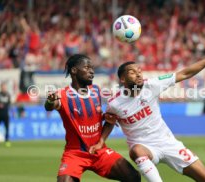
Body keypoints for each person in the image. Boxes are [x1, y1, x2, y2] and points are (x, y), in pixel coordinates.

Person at [91, 49, 205, 182]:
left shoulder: (152, 85)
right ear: (122, 79)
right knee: (136, 150)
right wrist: (101, 141)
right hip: (144, 147)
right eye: (132, 72)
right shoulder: (115, 103)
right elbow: (109, 122)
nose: (139, 74)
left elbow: (184, 73)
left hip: (168, 143)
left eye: (139, 70)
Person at [44, 54, 140, 182]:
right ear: (74, 70)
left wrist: (104, 117)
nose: (92, 71)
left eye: (92, 68)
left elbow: (91, 115)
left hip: (99, 151)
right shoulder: (62, 94)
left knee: (133, 177)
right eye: (87, 67)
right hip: (75, 154)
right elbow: (50, 106)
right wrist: (50, 102)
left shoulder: (95, 90)